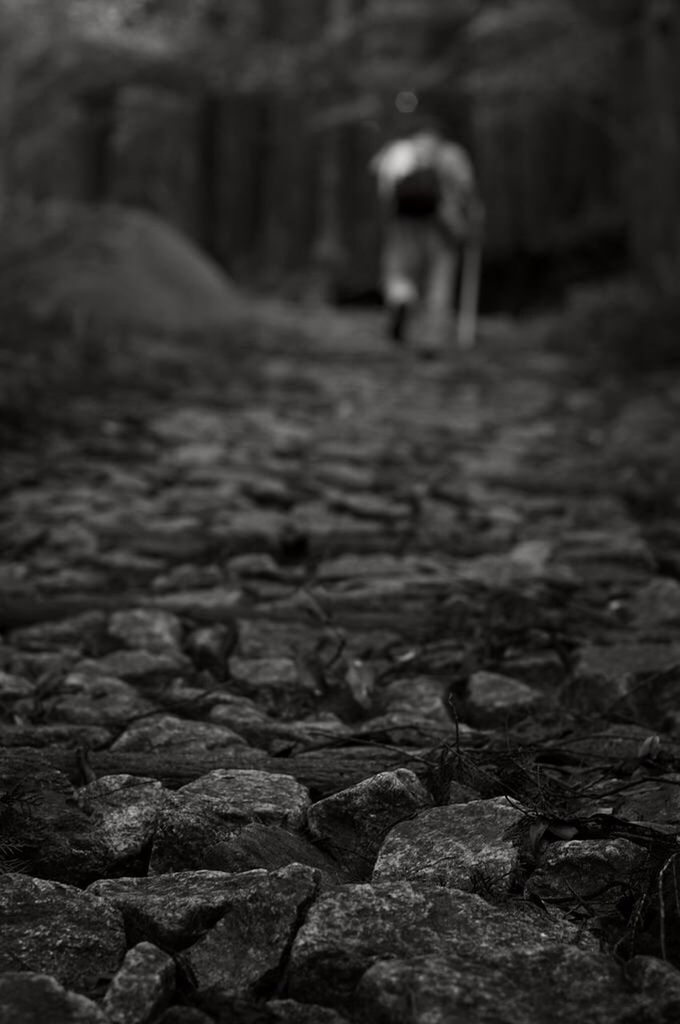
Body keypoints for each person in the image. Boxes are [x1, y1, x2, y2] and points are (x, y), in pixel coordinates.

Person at [370, 118, 484, 355]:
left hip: (403, 222)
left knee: (399, 270)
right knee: (439, 277)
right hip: (442, 225)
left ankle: (402, 299)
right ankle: (432, 338)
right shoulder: (452, 154)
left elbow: (382, 184)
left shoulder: (398, 150)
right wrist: (470, 217)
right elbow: (466, 187)